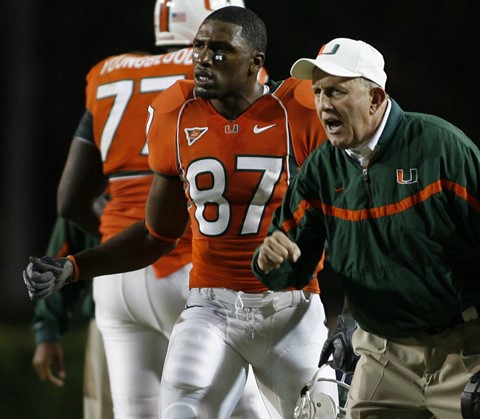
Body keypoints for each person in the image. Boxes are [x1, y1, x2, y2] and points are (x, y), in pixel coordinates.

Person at [23, 6, 337, 419]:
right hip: (211, 306)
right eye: (201, 46)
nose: (204, 58)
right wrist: (73, 267)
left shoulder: (299, 110)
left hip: (289, 308)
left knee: (323, 412)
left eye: (221, 49)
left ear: (255, 64)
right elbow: (157, 235)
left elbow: (348, 219)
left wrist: (351, 308)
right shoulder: (177, 114)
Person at [252, 37, 480, 418]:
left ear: (375, 98)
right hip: (381, 353)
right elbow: (292, 267)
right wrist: (269, 261)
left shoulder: (440, 147)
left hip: (467, 350)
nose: (323, 104)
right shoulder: (322, 168)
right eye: (319, 92)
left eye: (337, 91)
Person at [31, 214, 113, 419]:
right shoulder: (98, 191)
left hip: (115, 313)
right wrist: (48, 327)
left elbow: (69, 202)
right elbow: (69, 237)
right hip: (111, 314)